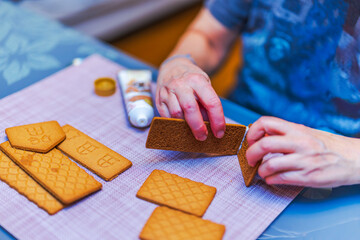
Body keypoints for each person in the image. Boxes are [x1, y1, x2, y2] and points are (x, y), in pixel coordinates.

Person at [155, 0, 360, 188]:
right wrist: (179, 63)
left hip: (341, 156)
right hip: (241, 115)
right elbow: (208, 36)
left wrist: (352, 156)